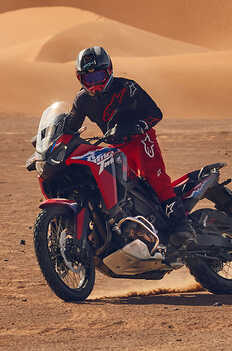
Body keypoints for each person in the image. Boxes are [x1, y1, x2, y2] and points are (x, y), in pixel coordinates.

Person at [64, 46, 195, 250]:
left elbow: (155, 114)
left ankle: (181, 225)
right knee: (125, 188)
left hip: (140, 139)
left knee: (155, 176)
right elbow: (70, 127)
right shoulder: (82, 100)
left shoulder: (128, 88)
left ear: (109, 71)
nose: (95, 84)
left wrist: (135, 126)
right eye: (89, 79)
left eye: (98, 76)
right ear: (80, 79)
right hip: (116, 147)